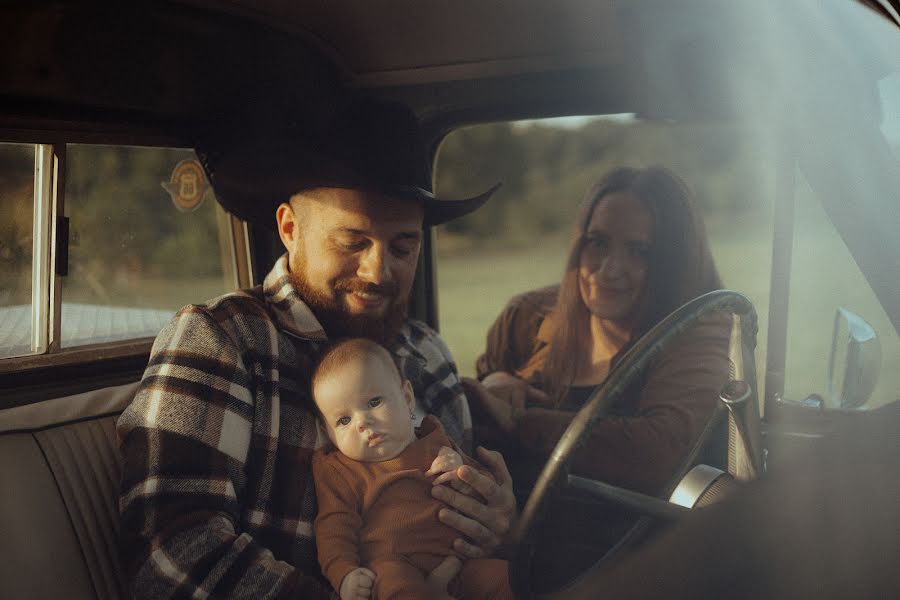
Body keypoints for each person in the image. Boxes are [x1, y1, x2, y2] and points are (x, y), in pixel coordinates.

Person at [117, 95, 516, 599]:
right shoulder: (220, 340)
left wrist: (494, 523)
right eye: (353, 242)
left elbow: (459, 516)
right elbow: (171, 555)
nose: (378, 272)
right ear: (290, 229)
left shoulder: (427, 353)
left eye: (402, 246)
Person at [469, 165, 731, 496]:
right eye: (598, 243)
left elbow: (658, 455)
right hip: (509, 532)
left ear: (673, 263)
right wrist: (494, 384)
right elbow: (472, 433)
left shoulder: (698, 329)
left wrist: (517, 421)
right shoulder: (526, 318)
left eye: (639, 252)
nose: (609, 269)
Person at [311, 338, 514, 600]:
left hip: (460, 563)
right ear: (328, 433)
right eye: (344, 420)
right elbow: (333, 529)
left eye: (373, 402)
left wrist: (462, 472)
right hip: (392, 565)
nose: (363, 422)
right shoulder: (341, 470)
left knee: (506, 578)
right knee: (399, 589)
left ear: (407, 398)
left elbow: (486, 493)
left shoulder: (436, 441)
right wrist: (345, 574)